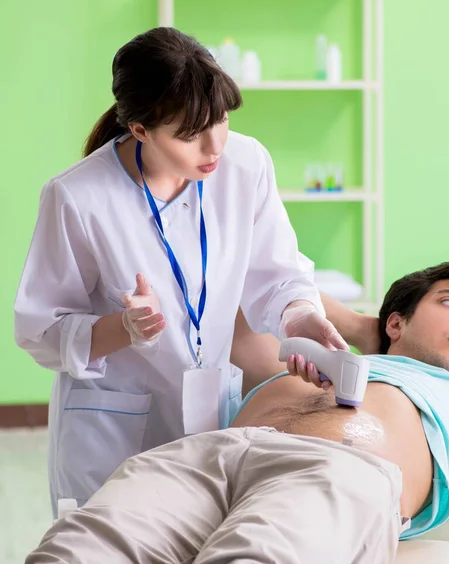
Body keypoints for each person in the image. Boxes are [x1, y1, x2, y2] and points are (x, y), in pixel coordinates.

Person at [26, 256, 449, 564]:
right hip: (207, 458)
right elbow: (237, 284)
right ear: (396, 322)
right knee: (74, 552)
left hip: (339, 473)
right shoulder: (309, 361)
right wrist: (364, 331)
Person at [13, 26, 353, 516]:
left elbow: (278, 273)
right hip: (111, 438)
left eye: (221, 121)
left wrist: (299, 316)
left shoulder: (246, 165)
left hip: (211, 418)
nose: (214, 147)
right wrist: (121, 328)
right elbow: (39, 330)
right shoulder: (77, 197)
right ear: (140, 131)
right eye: (191, 135)